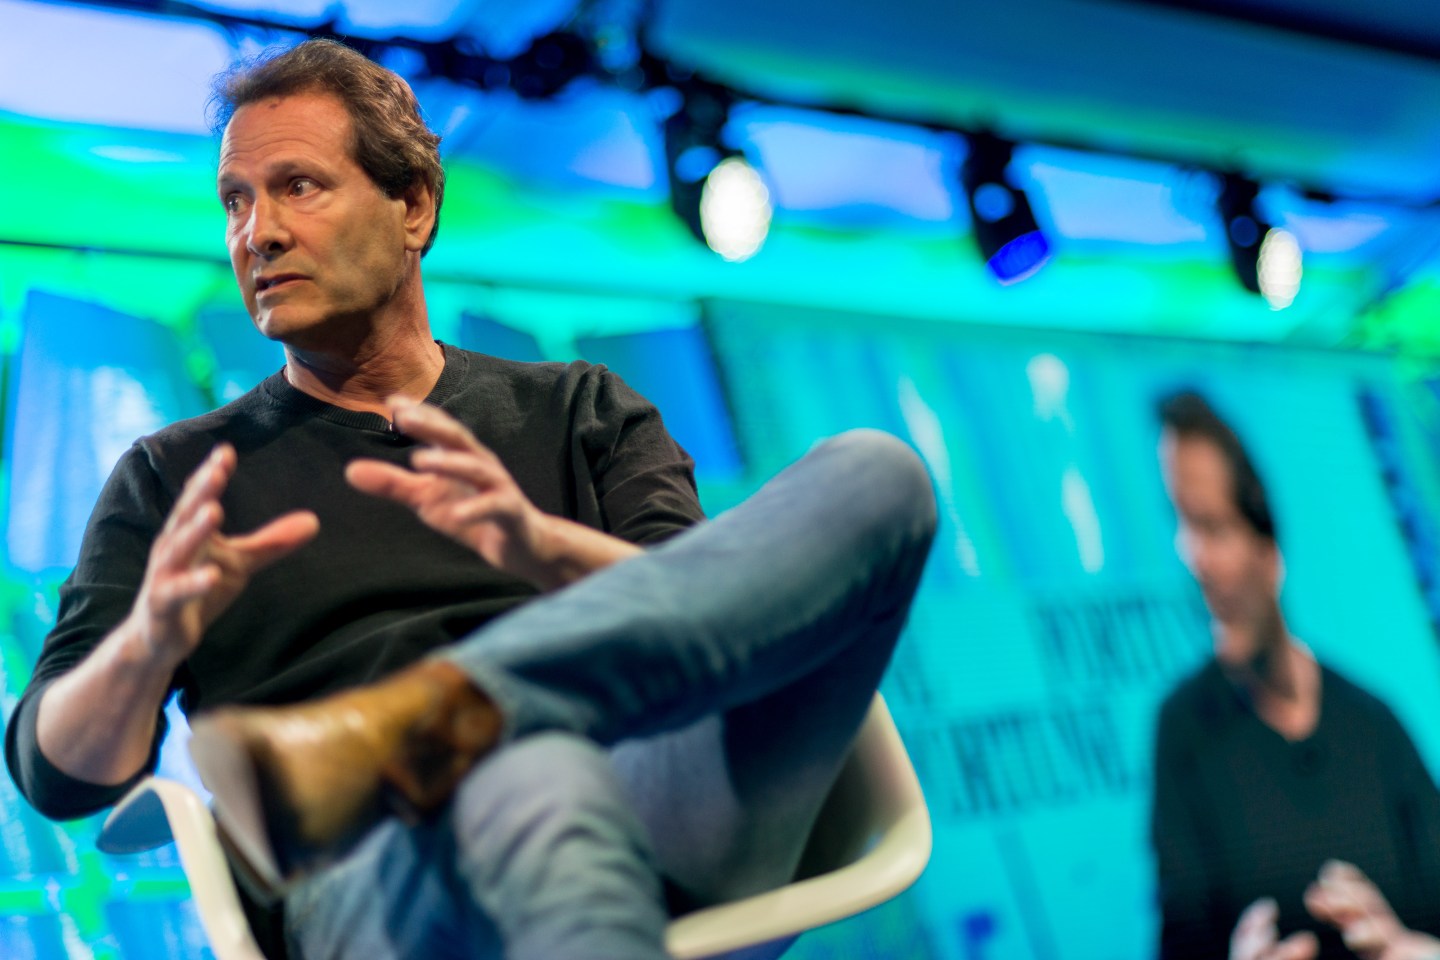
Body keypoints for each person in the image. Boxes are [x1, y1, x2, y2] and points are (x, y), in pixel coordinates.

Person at [2, 38, 937, 960]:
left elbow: (716, 626)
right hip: (368, 872)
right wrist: (146, 643)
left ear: (413, 205)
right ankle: (459, 743)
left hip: (661, 802)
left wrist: (545, 550)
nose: (259, 233)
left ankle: (434, 723)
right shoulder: (174, 476)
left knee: (877, 472)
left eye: (298, 186)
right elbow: (55, 775)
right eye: (235, 201)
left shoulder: (582, 410)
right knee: (532, 778)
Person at [1150, 391, 1440, 960]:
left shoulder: (1372, 724)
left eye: (1213, 528)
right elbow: (1178, 939)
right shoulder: (1184, 732)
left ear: (1269, 549)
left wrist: (1404, 948)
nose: (1195, 560)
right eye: (1184, 529)